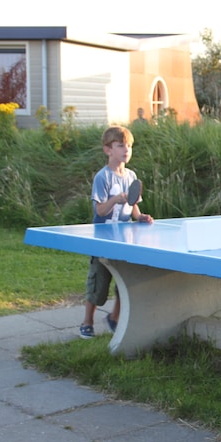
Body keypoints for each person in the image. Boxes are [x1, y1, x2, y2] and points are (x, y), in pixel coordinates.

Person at [79, 126, 154, 339]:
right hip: (102, 239)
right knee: (98, 283)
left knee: (126, 281)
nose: (126, 150)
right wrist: (115, 199)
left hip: (125, 239)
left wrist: (140, 217)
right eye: (121, 145)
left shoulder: (131, 176)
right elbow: (100, 210)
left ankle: (114, 317)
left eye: (129, 146)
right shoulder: (102, 178)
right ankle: (87, 322)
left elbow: (134, 206)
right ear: (108, 150)